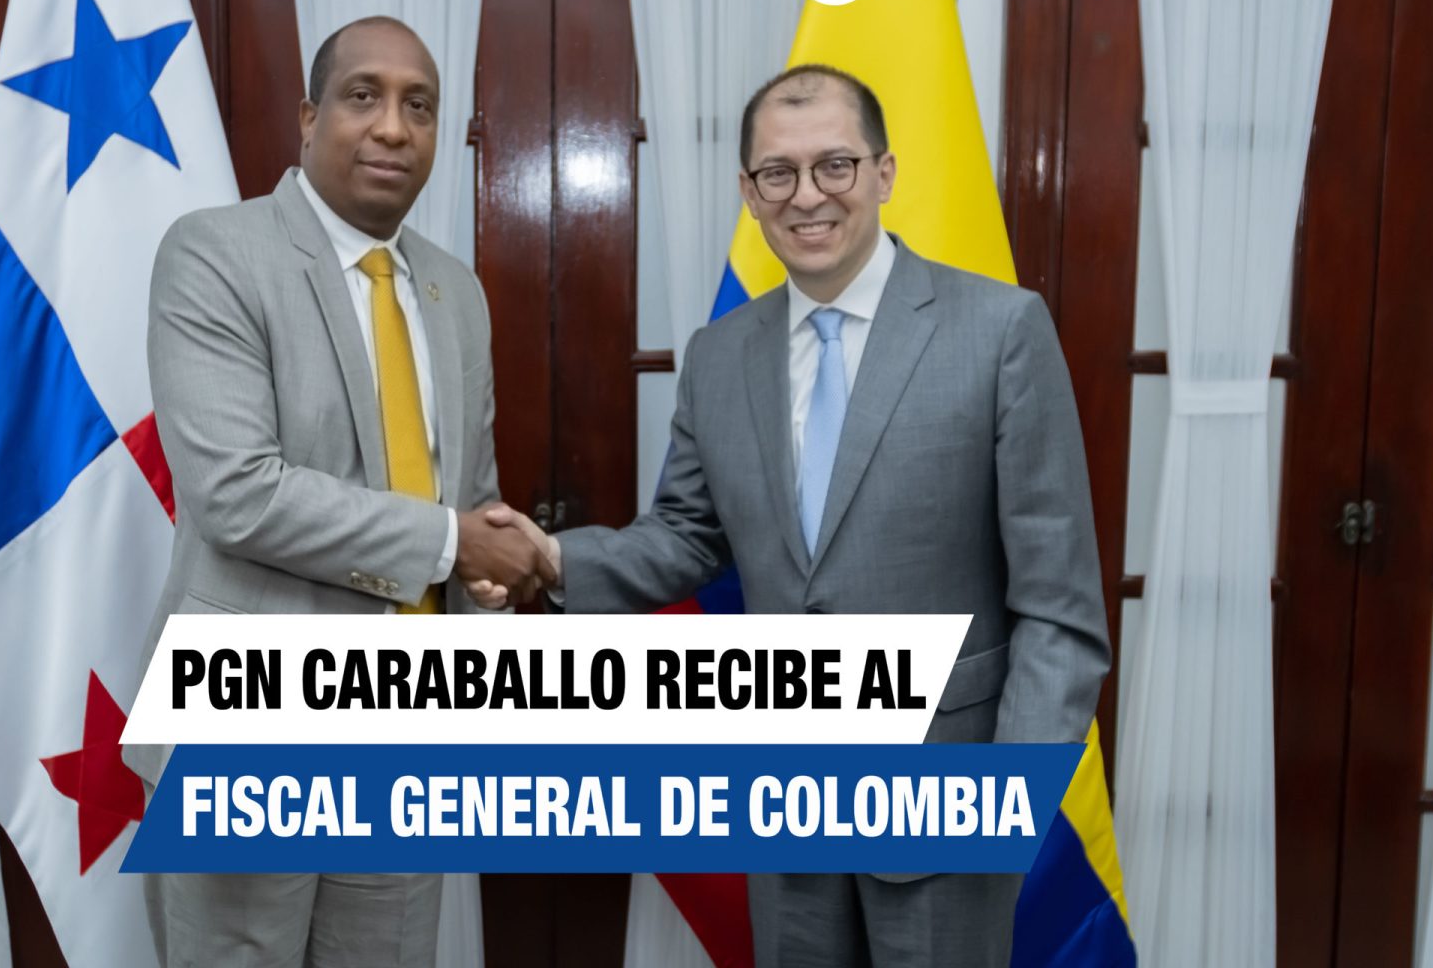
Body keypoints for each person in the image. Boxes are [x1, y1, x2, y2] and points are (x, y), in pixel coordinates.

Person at [474, 64, 1111, 967]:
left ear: (884, 173)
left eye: (834, 165)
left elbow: (1059, 607)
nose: (807, 195)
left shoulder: (1000, 331)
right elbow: (688, 534)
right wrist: (551, 560)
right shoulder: (719, 354)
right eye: (779, 172)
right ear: (749, 192)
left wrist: (1007, 801)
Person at [126, 15, 547, 968]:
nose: (394, 126)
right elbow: (238, 493)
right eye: (364, 96)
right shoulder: (215, 252)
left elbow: (468, 495)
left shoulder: (456, 291)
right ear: (310, 118)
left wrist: (488, 575)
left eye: (420, 106)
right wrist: (454, 543)